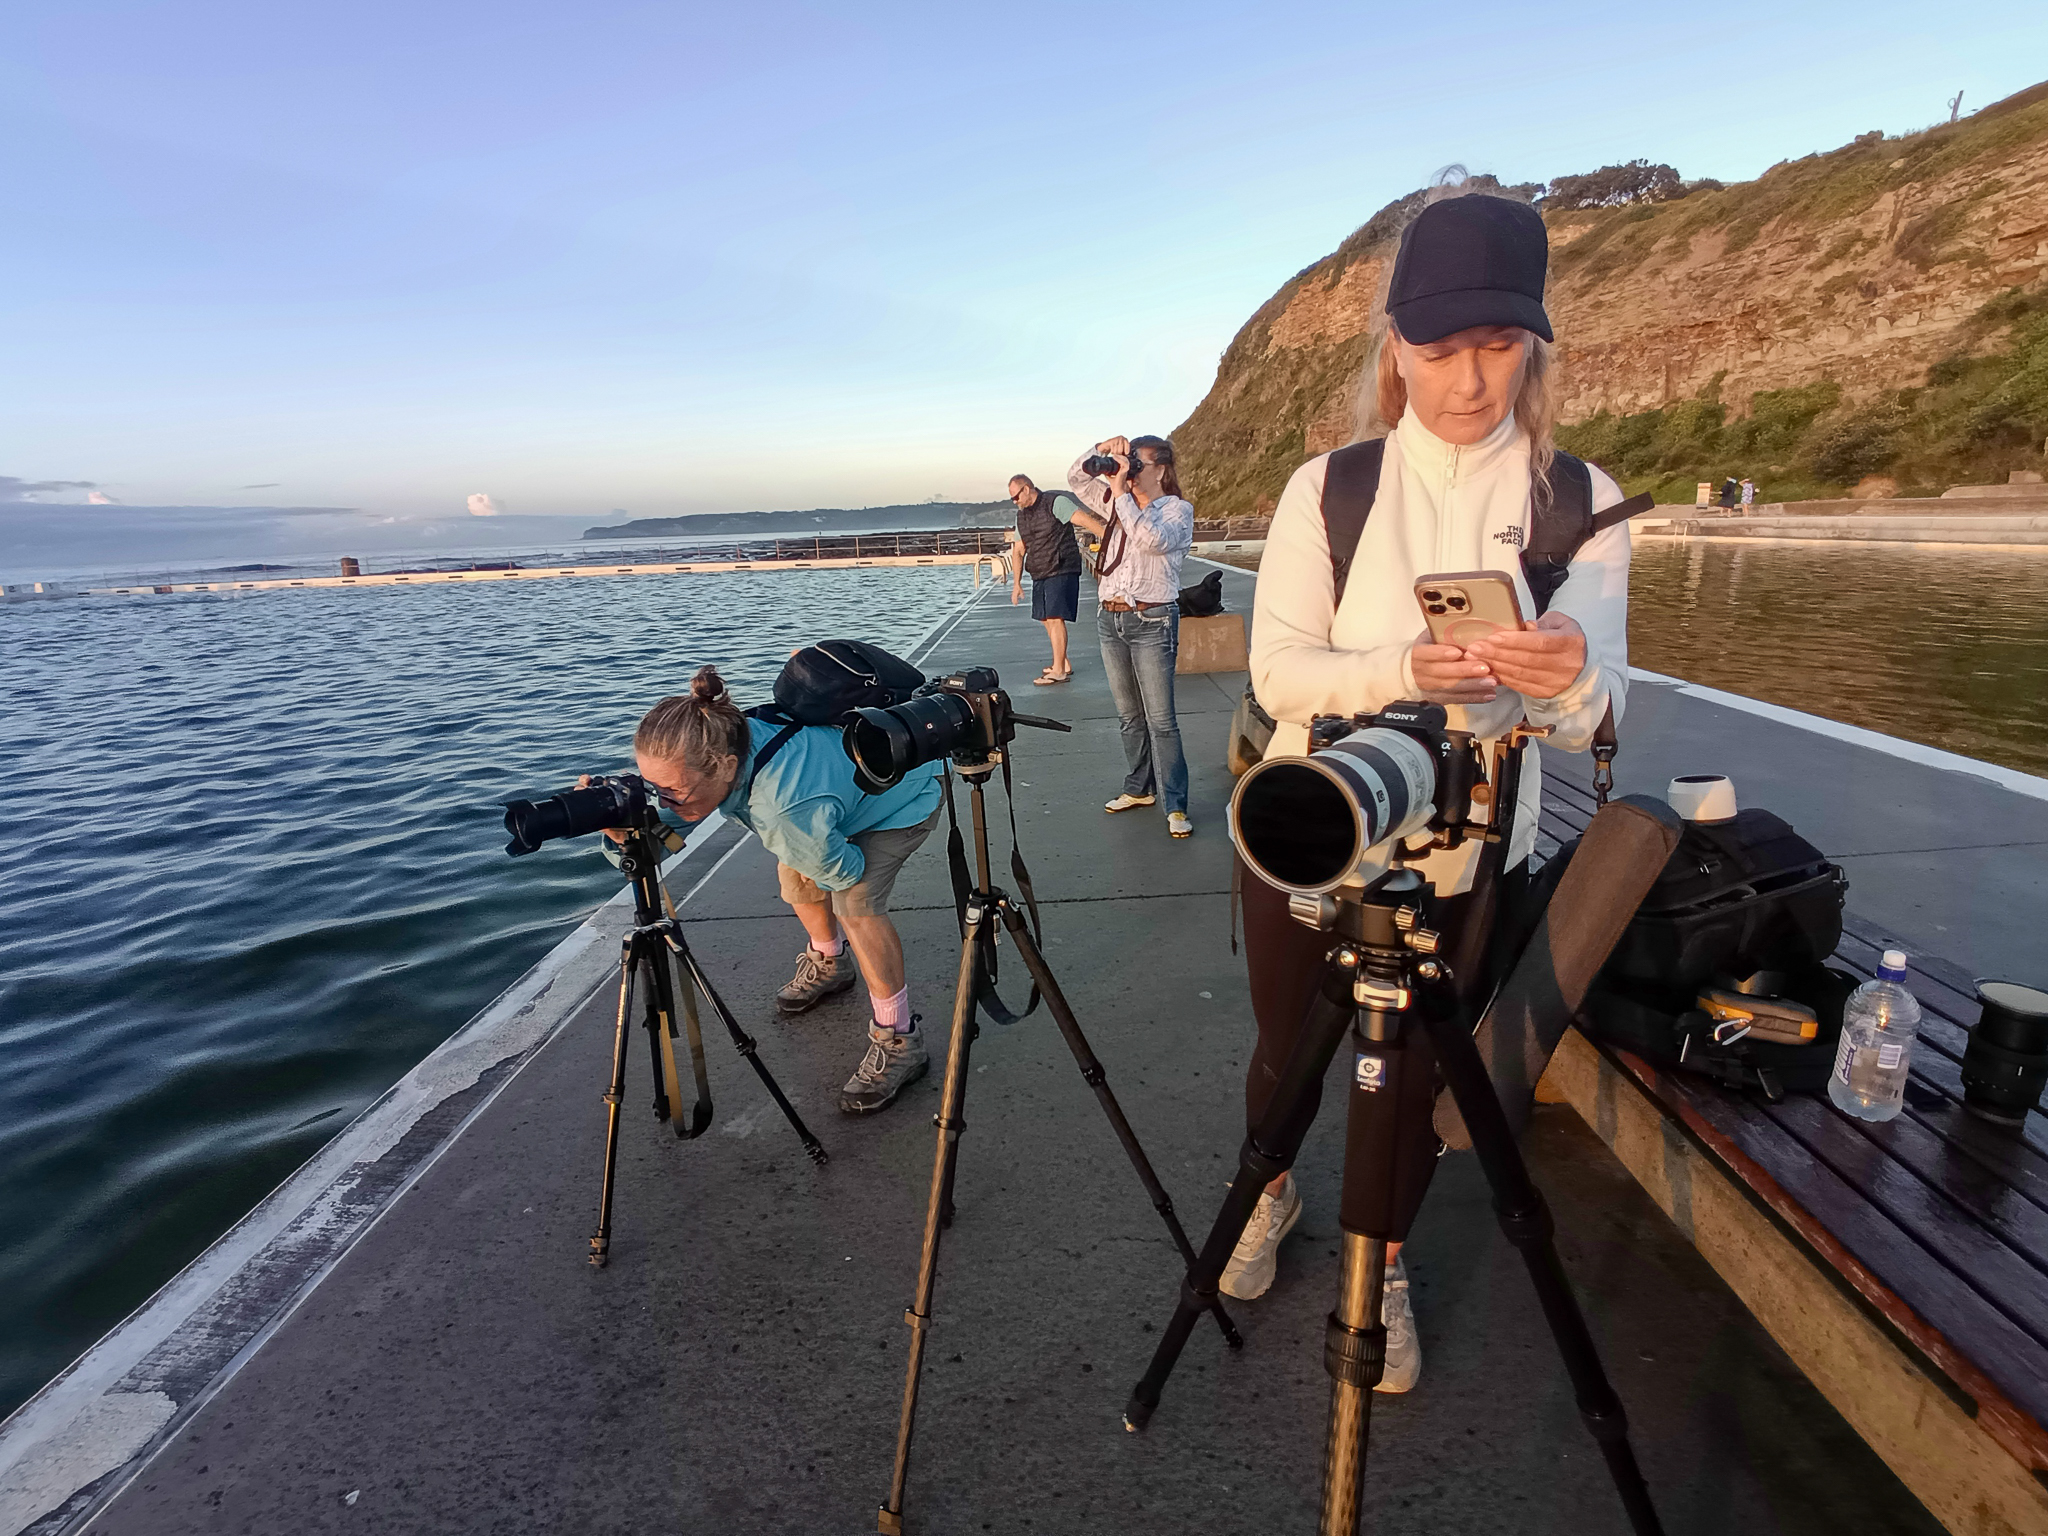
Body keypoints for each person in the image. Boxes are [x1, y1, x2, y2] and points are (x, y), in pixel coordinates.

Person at [1228, 190, 1632, 1394]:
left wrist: (1562, 681)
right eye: (1439, 347)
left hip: (1468, 850)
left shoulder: (1580, 501)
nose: (1467, 379)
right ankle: (1269, 1187)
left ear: (1534, 342)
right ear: (1392, 346)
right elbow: (1275, 669)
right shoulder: (1330, 488)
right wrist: (1399, 669)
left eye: (1498, 344)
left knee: (1404, 1078)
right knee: (1284, 1048)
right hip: (1313, 824)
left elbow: (1603, 718)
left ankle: (1381, 1265)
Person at [600, 666, 944, 1115]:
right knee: (795, 870)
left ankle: (899, 1037)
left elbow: (847, 869)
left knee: (855, 901)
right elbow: (664, 836)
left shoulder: (780, 806)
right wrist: (618, 833)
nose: (664, 803)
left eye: (673, 793)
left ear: (724, 767)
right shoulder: (724, 736)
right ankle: (831, 961)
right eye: (654, 789)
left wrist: (813, 843)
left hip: (904, 795)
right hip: (838, 794)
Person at [1066, 435, 1197, 838]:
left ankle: (1176, 805)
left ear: (1160, 469)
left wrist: (1122, 489)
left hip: (1152, 620)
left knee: (1162, 721)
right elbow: (1075, 478)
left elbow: (1150, 540)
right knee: (1129, 718)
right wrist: (1103, 450)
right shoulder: (1116, 497)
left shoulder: (1176, 511)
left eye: (1138, 464)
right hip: (1111, 619)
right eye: (1129, 464)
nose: (1130, 471)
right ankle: (1139, 788)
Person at [1006, 475, 1085, 685]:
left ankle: (1058, 670)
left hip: (1061, 566)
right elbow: (1019, 550)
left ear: (1026, 489)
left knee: (1054, 616)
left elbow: (1081, 518)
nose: (1014, 501)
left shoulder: (1054, 502)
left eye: (1015, 496)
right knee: (1043, 617)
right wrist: (1016, 584)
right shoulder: (1021, 516)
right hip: (1039, 570)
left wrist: (1108, 537)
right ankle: (1063, 662)